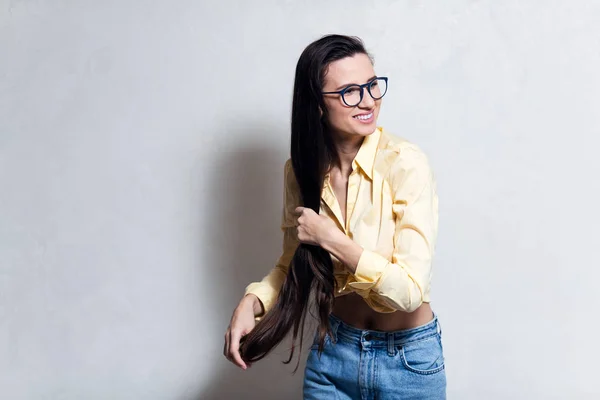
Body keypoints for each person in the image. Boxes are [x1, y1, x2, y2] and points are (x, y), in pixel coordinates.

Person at [223, 34, 446, 399]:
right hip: (333, 357)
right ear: (317, 106)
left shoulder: (406, 163)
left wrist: (330, 238)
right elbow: (290, 263)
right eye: (349, 91)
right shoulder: (300, 173)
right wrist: (252, 302)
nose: (369, 100)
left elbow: (409, 292)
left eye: (372, 86)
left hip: (408, 362)